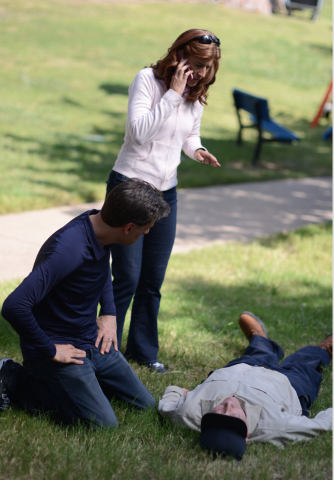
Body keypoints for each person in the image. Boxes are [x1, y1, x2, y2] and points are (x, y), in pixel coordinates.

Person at [0, 178, 170, 429]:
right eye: (145, 228)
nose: (147, 233)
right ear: (128, 227)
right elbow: (14, 305)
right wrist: (50, 349)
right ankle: (13, 378)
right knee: (102, 424)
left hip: (91, 339)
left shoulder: (101, 227)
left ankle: (85, 385)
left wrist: (109, 313)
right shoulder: (69, 250)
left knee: (144, 405)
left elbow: (100, 271)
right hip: (58, 349)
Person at [105, 29, 221, 372]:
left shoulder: (195, 94)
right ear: (180, 55)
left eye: (209, 66)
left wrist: (196, 149)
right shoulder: (147, 81)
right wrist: (172, 94)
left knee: (152, 280)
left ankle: (143, 352)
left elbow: (189, 132)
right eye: (198, 64)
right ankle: (106, 350)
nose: (202, 73)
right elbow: (139, 133)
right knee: (126, 276)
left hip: (165, 191)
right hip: (130, 186)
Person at [158, 312, 332, 459]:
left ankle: (260, 339)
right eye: (233, 416)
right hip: (288, 384)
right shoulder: (277, 427)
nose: (227, 406)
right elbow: (324, 424)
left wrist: (182, 392)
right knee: (306, 363)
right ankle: (323, 349)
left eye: (218, 413)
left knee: (259, 353)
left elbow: (169, 400)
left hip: (238, 370)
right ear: (247, 434)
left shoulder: (185, 414)